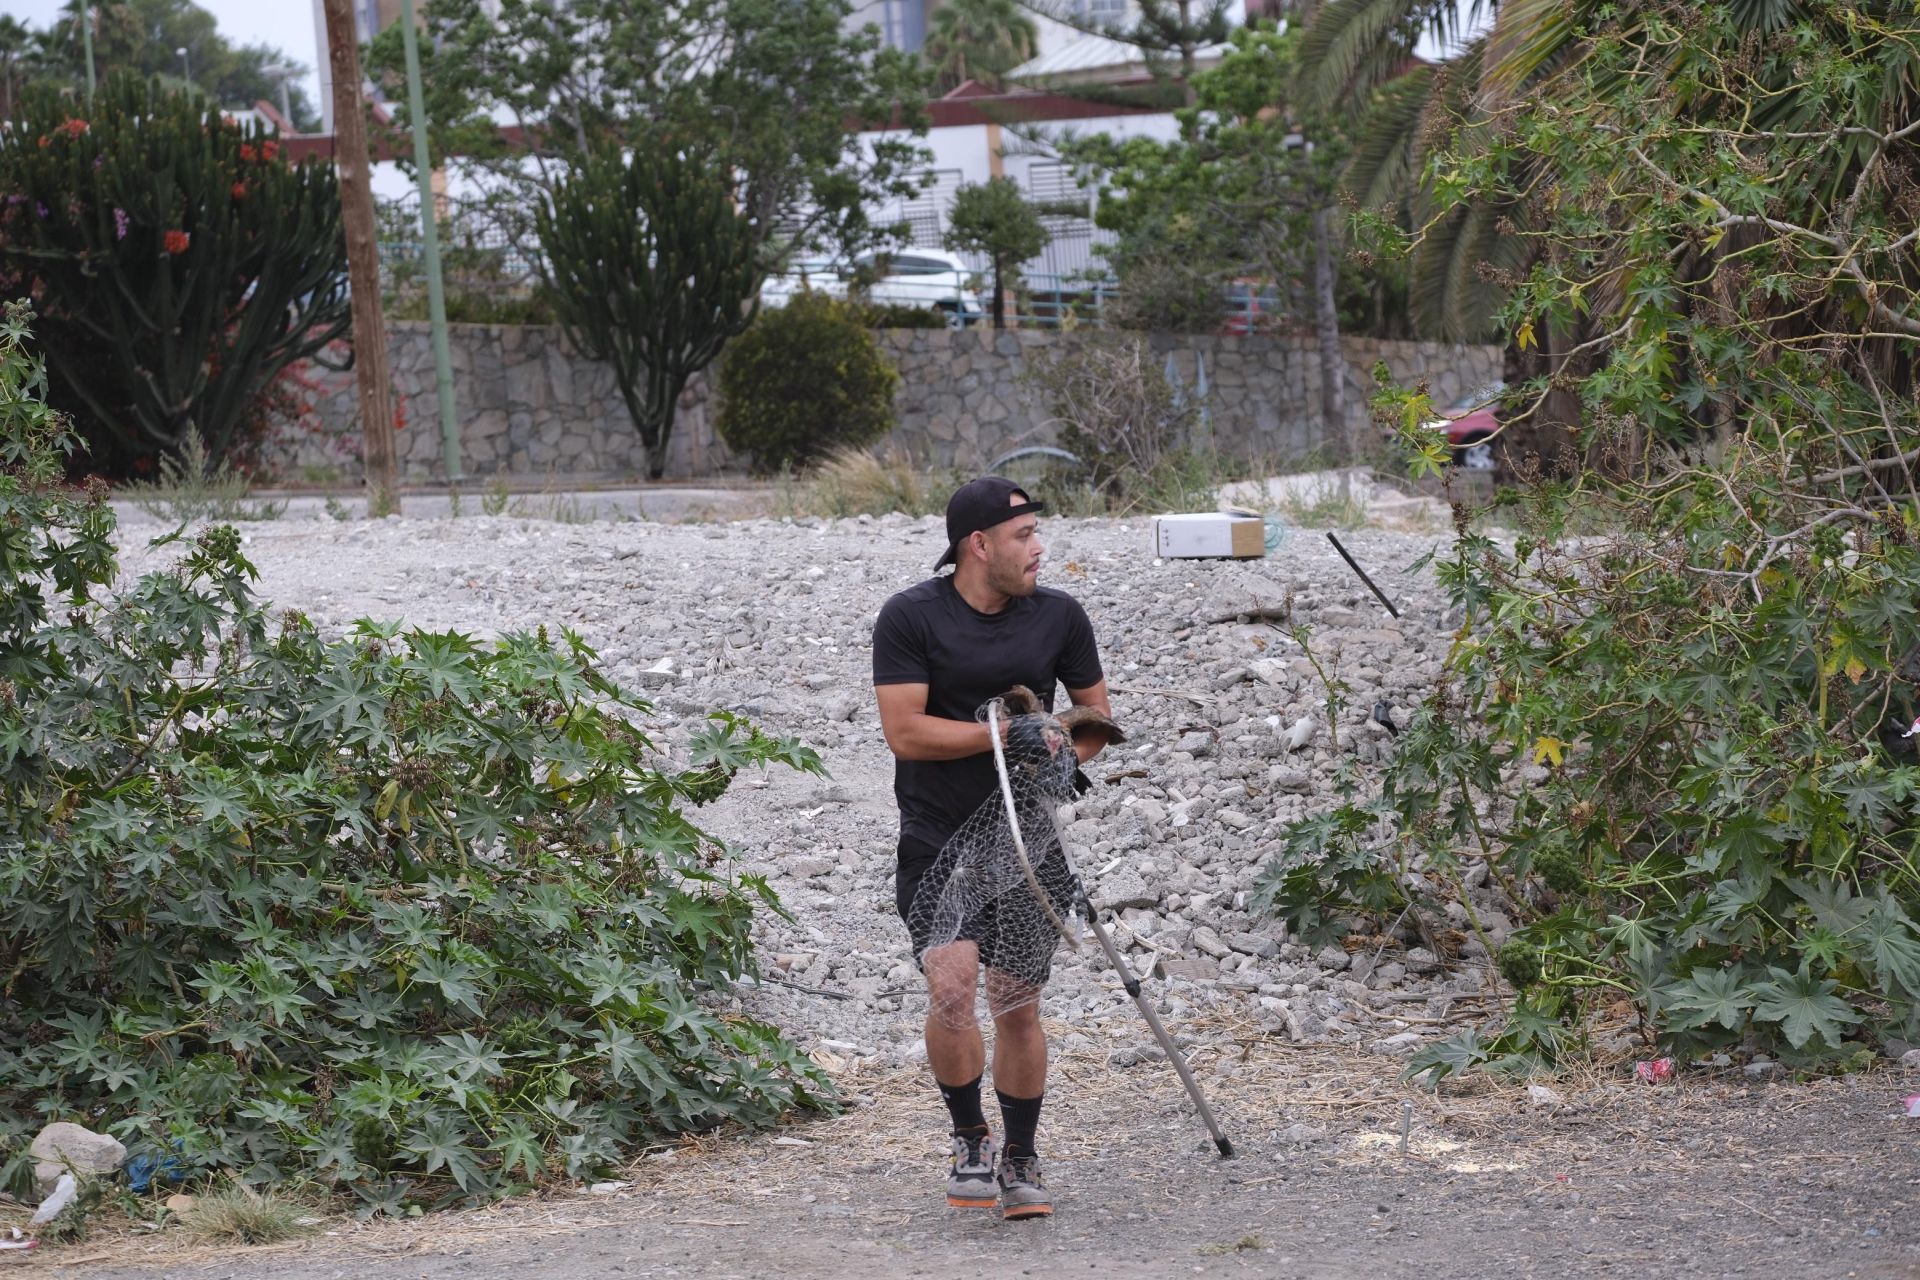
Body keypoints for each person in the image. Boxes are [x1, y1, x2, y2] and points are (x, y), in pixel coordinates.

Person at [871, 476, 1113, 1221]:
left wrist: (1063, 747)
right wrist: (1005, 735)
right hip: (937, 833)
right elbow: (905, 732)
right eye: (1023, 538)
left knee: (1016, 1004)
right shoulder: (910, 618)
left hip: (1024, 835)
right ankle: (970, 1137)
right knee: (950, 990)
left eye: (1037, 534)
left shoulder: (1059, 618)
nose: (1038, 550)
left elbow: (1097, 718)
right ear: (978, 546)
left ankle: (1021, 1155)